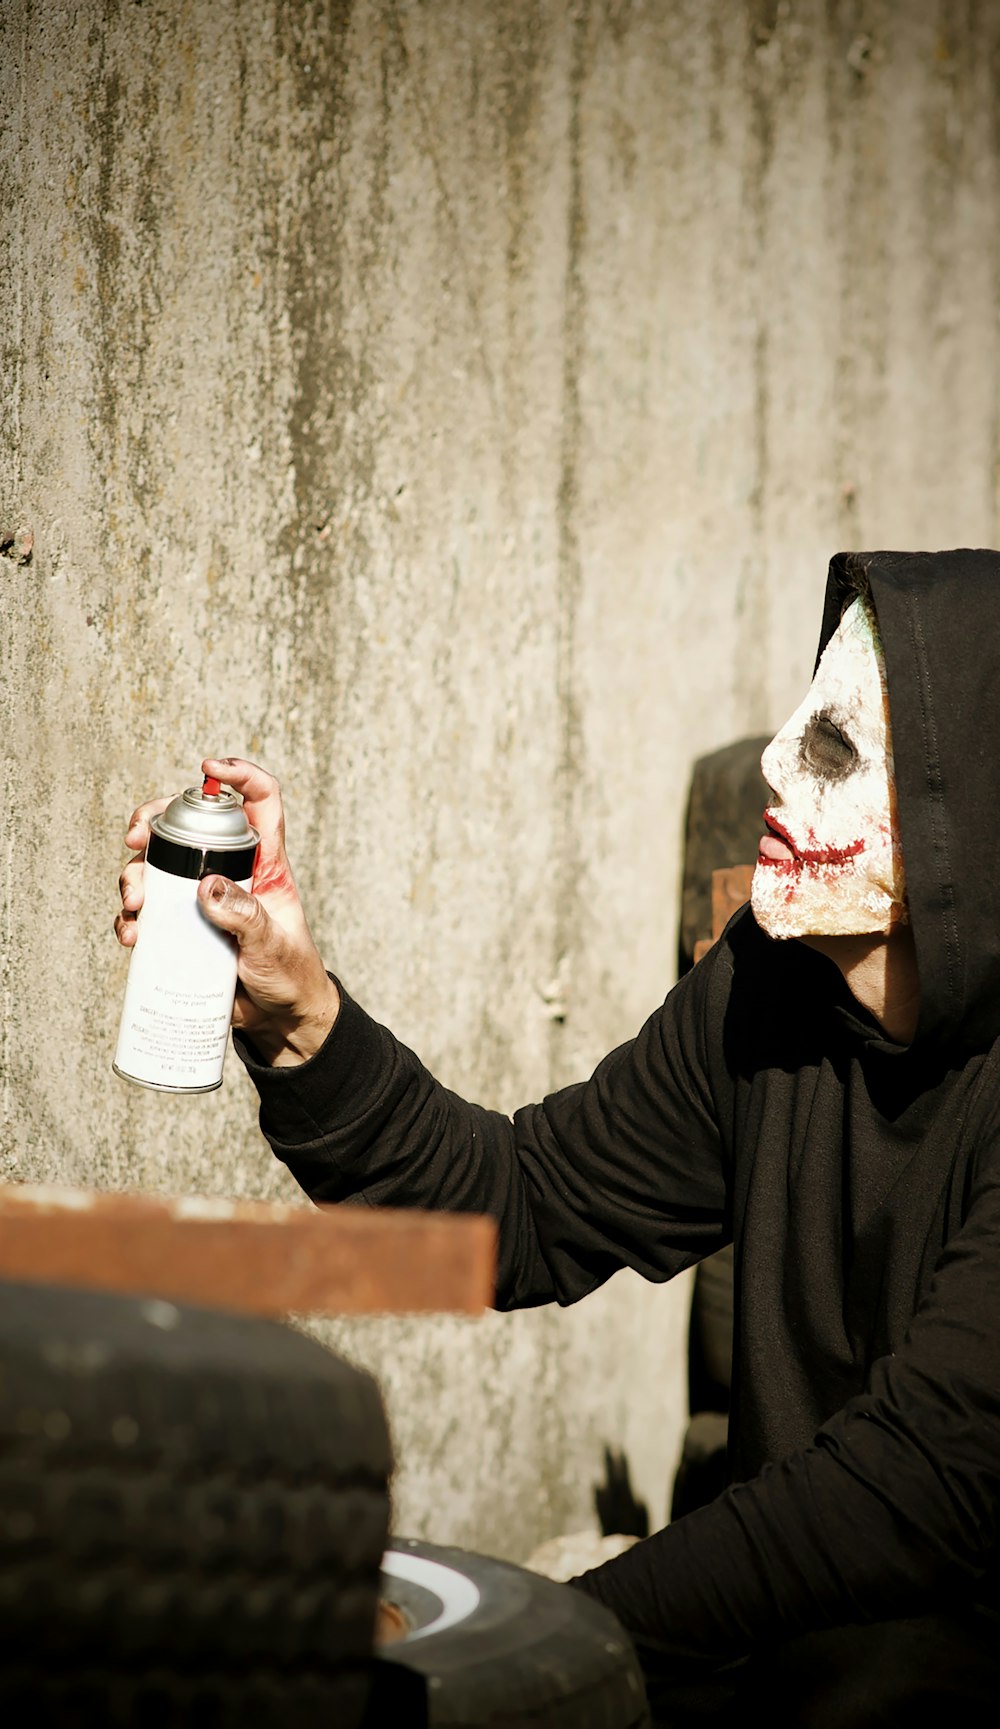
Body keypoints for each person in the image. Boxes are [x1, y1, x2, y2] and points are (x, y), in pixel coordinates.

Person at [116, 550, 1000, 1723]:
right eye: (796, 722)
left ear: (963, 813)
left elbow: (918, 1488)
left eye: (835, 748)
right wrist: (301, 1015)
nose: (778, 769)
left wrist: (557, 1638)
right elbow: (519, 1209)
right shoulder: (770, 984)